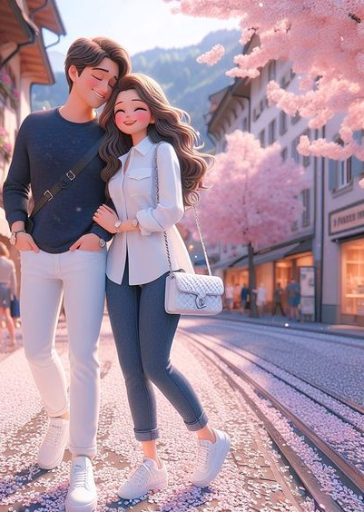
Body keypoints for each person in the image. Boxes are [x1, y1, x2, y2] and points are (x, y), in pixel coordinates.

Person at [2, 37, 131, 511]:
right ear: (74, 72)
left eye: (112, 81)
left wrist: (100, 235)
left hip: (85, 255)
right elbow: (16, 184)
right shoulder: (35, 126)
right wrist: (18, 228)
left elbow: (120, 193)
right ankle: (58, 416)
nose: (104, 87)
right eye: (98, 76)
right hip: (35, 251)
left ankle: (84, 460)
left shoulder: (110, 136)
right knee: (35, 350)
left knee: (83, 355)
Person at [93, 73, 230, 500]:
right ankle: (150, 463)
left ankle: (208, 437)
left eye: (136, 107)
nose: (127, 115)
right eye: (119, 110)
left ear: (151, 111)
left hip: (158, 266)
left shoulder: (161, 152)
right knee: (132, 370)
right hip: (118, 270)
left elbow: (170, 210)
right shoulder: (117, 160)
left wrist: (124, 224)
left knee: (156, 363)